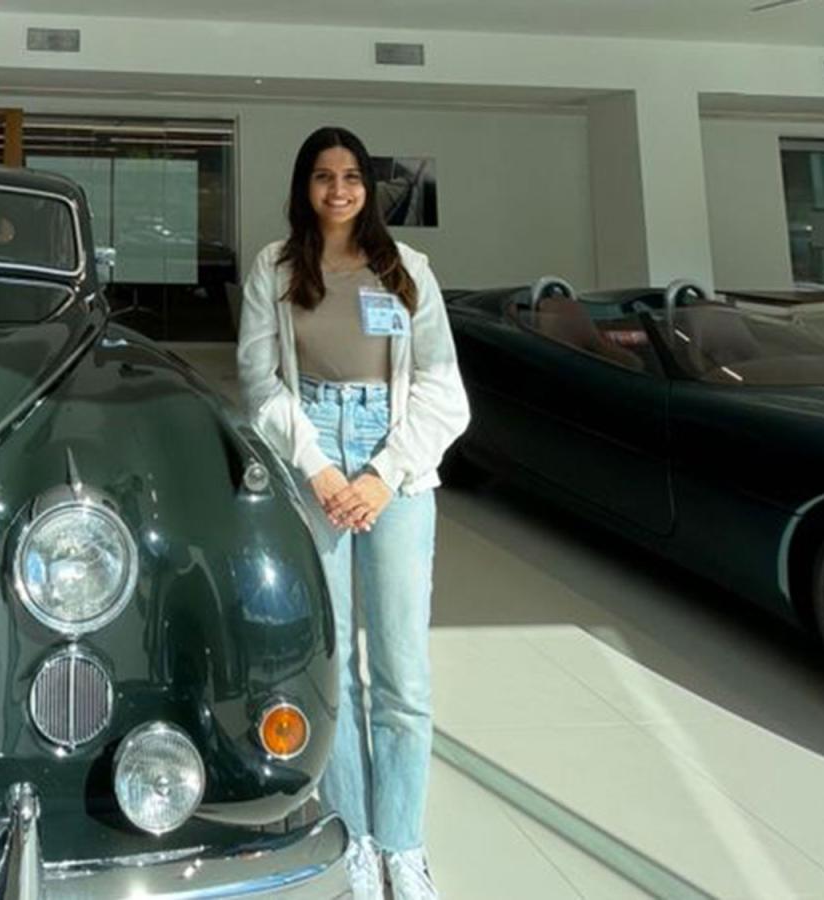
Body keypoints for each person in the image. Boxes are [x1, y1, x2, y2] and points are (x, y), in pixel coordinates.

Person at [236, 126, 469, 900]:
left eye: (353, 177)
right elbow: (260, 383)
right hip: (315, 459)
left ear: (370, 188)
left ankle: (403, 842)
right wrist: (323, 469)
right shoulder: (273, 268)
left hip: (394, 463)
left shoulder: (407, 271)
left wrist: (381, 475)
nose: (339, 190)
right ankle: (355, 838)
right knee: (333, 664)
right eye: (323, 177)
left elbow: (443, 391)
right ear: (304, 185)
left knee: (401, 670)